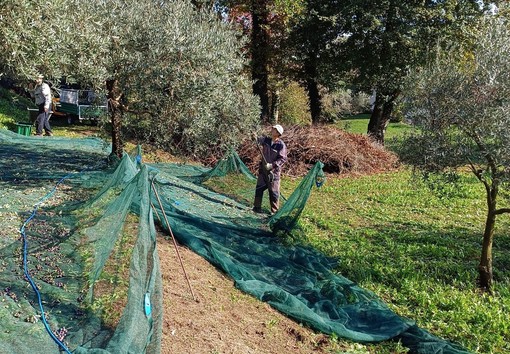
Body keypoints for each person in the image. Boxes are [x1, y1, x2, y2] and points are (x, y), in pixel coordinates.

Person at [253, 124, 287, 214]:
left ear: (278, 133)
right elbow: (257, 140)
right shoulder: (266, 140)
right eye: (272, 128)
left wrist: (272, 165)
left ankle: (274, 212)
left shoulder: (281, 145)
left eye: (274, 129)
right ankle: (256, 207)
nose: (272, 130)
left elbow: (282, 159)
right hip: (263, 170)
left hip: (273, 173)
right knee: (259, 188)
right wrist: (254, 136)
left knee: (274, 192)